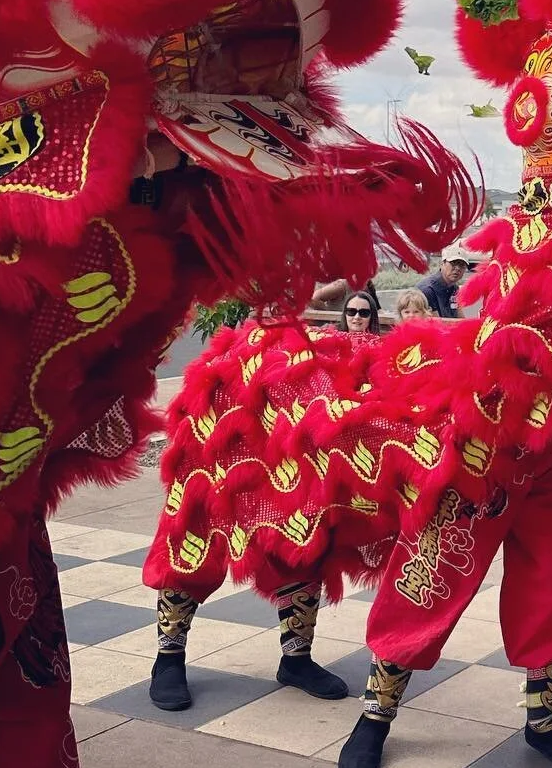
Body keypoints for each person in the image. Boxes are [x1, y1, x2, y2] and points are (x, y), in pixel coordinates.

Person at [147, 286, 383, 713]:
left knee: (303, 537)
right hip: (221, 437)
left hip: (287, 447)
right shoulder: (231, 352)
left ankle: (296, 658)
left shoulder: (323, 349)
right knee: (194, 535)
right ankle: (168, 656)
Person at [413, 247, 471, 317]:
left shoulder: (454, 288)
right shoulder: (428, 289)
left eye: (462, 265)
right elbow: (437, 321)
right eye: (453, 263)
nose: (457, 268)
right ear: (442, 264)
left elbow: (459, 315)